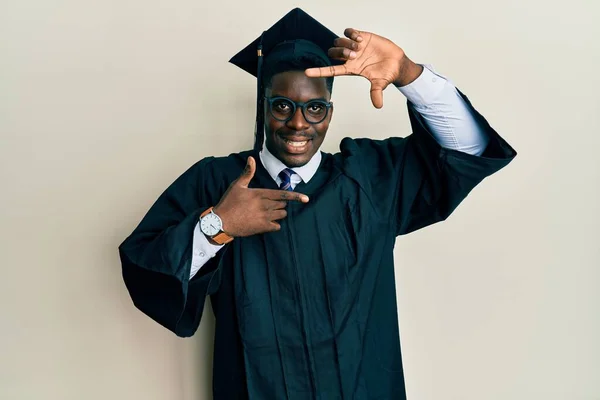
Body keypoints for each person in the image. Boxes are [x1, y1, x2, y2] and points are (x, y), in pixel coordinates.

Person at [119, 8, 516, 400]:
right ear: (264, 106)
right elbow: (145, 266)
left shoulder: (371, 178)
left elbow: (467, 150)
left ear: (329, 112)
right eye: (282, 106)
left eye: (314, 108)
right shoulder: (217, 181)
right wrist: (217, 225)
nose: (298, 123)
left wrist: (408, 73)